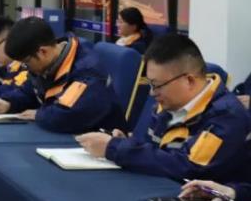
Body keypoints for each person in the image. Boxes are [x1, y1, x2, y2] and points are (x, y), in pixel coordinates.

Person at [78, 34, 251, 182]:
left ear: (189, 80)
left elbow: (187, 167)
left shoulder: (226, 116)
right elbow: (153, 148)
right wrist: (126, 142)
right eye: (150, 84)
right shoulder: (169, 103)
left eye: (157, 85)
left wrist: (115, 148)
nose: (152, 93)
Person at [0, 17, 124, 133]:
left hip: (97, 139)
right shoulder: (46, 64)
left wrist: (38, 114)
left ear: (43, 52)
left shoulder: (87, 69)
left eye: (26, 62)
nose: (26, 67)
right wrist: (9, 103)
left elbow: (67, 116)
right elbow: (29, 91)